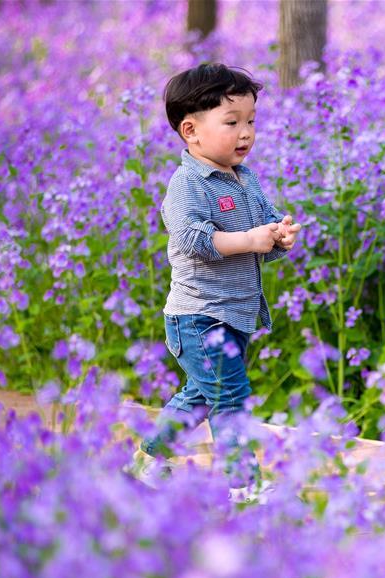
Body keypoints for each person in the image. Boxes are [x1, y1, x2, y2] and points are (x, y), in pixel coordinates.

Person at [125, 63, 301, 501]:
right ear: (191, 130)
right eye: (232, 122)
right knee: (230, 401)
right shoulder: (187, 185)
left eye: (251, 121)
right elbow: (191, 238)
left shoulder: (245, 179)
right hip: (199, 318)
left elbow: (261, 229)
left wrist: (277, 236)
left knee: (200, 398)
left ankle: (147, 461)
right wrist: (248, 239)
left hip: (234, 314)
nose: (246, 133)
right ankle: (245, 486)